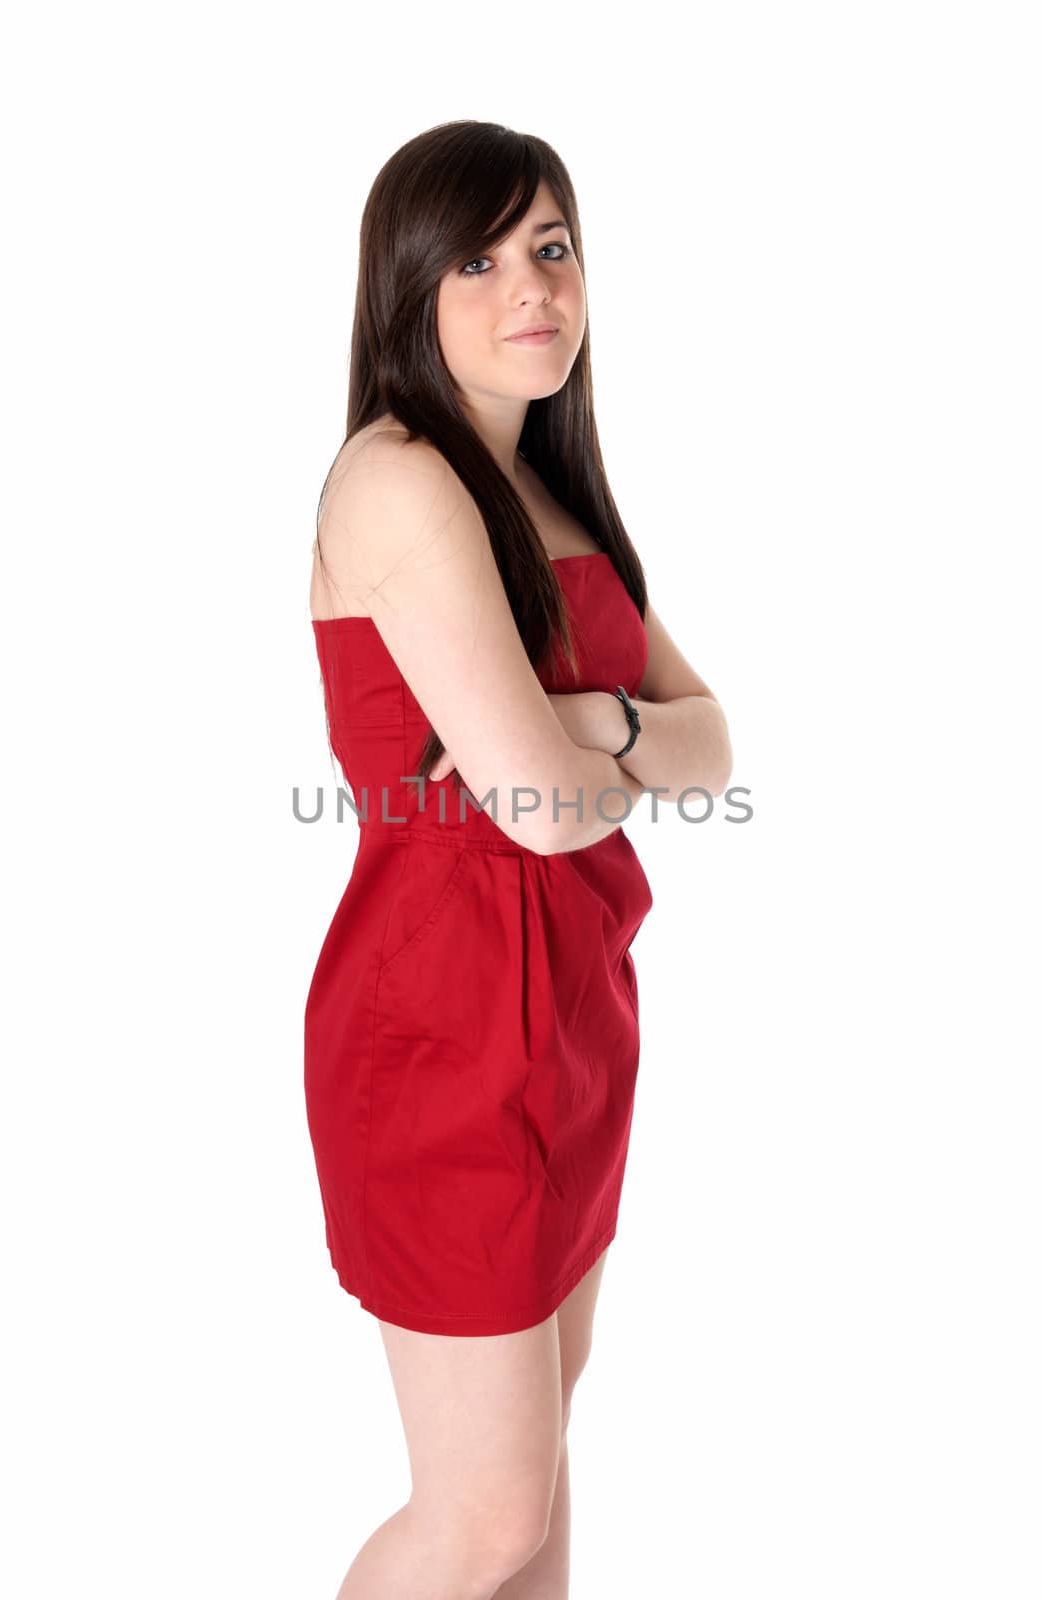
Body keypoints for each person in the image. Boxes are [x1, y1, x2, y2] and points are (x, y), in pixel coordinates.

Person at [305, 119, 732, 1600]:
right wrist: (610, 760)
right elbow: (544, 812)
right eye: (479, 258)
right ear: (407, 289)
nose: (529, 286)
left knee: (537, 1485)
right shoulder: (398, 477)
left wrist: (590, 726)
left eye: (551, 246)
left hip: (577, 1020)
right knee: (477, 1516)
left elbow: (711, 742)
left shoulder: (553, 492)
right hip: (440, 1038)